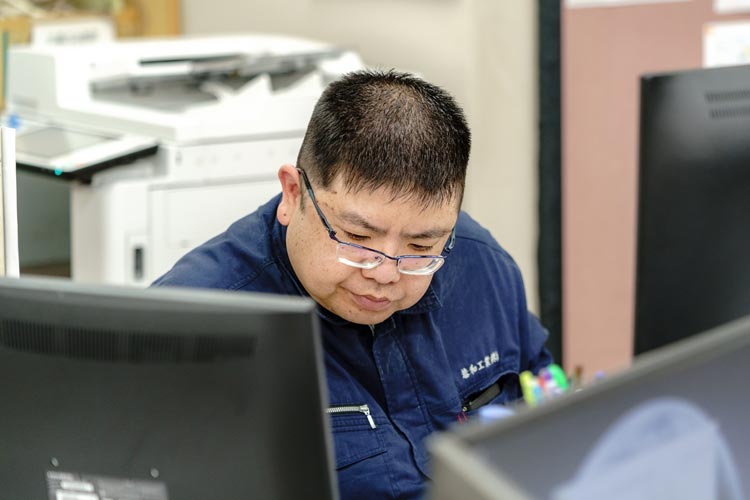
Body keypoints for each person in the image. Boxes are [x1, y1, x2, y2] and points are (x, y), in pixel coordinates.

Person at [153, 69, 552, 499]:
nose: (386, 273)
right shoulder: (193, 330)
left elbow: (546, 404)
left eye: (421, 244)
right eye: (358, 238)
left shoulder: (479, 261)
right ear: (293, 194)